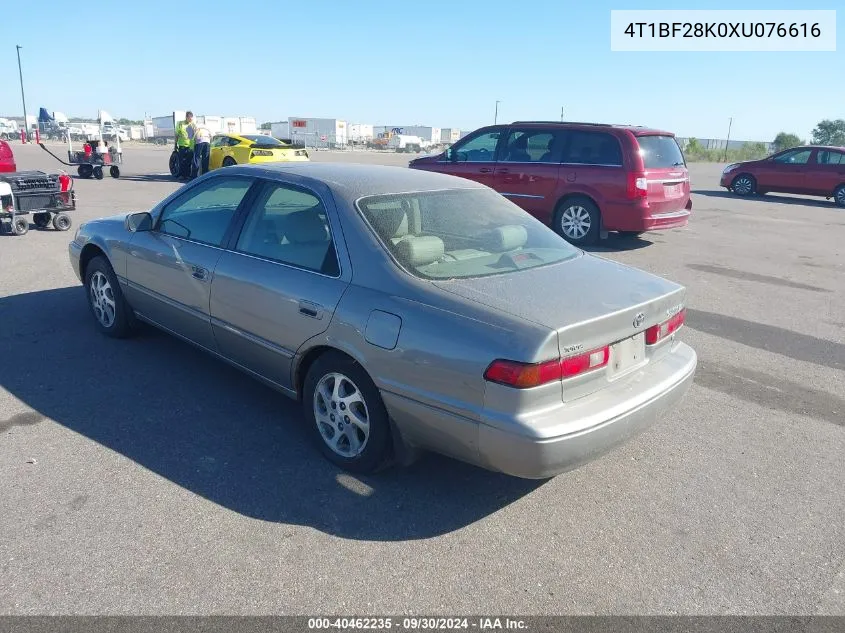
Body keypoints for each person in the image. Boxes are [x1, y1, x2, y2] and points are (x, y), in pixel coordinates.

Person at [174, 111, 196, 179]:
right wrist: (175, 144)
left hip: (191, 146)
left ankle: (187, 175)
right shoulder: (180, 123)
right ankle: (181, 175)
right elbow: (176, 135)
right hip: (182, 145)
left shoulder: (193, 124)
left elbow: (195, 135)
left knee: (188, 161)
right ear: (186, 117)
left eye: (191, 119)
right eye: (189, 119)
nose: (190, 120)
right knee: (182, 161)